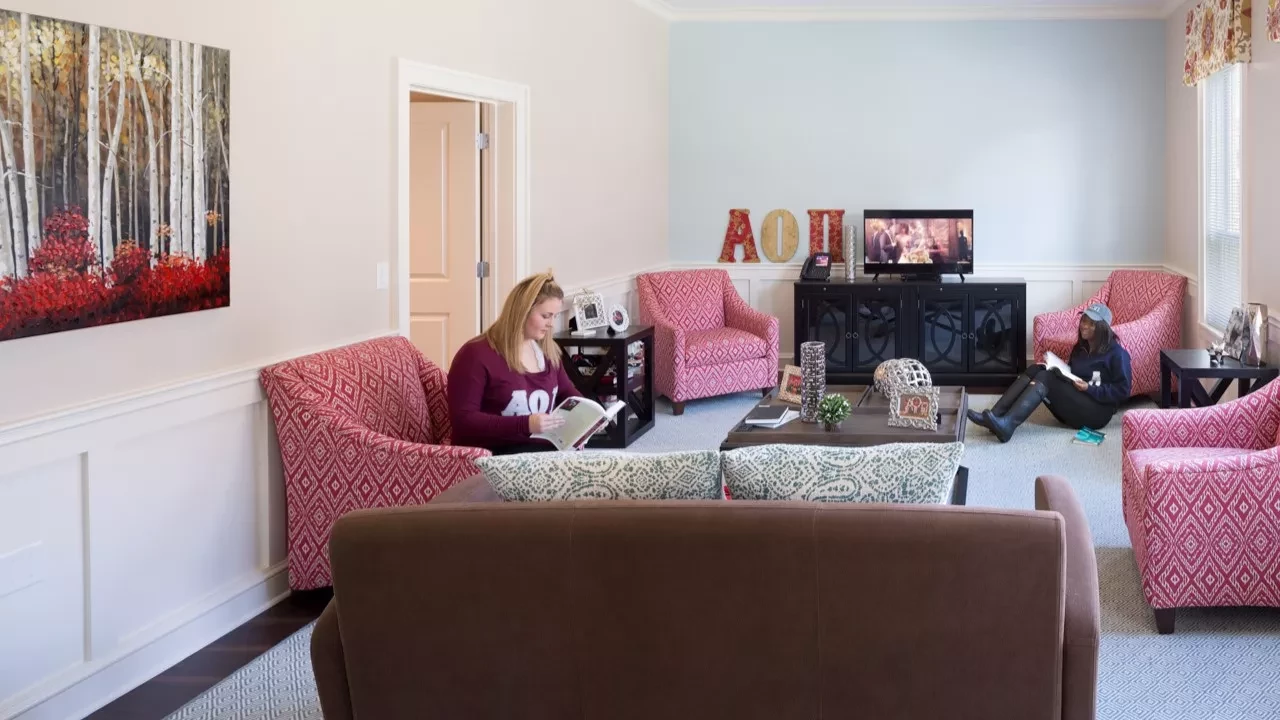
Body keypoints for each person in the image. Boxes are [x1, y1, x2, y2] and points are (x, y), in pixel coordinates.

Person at [448, 271, 583, 454]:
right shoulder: (475, 354)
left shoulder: (546, 351)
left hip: (539, 452)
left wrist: (588, 416)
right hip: (493, 456)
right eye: (545, 316)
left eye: (555, 316)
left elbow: (566, 393)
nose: (551, 324)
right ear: (522, 312)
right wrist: (526, 424)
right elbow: (464, 421)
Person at [967, 303, 1132, 443]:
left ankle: (1008, 425)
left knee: (1046, 378)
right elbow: (1072, 373)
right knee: (1037, 369)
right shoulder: (1081, 347)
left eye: (1091, 324)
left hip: (1096, 413)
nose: (1084, 326)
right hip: (1077, 401)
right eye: (1083, 320)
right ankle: (995, 415)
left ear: (1102, 328)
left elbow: (1123, 390)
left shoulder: (1117, 354)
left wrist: (1090, 389)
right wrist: (1058, 369)